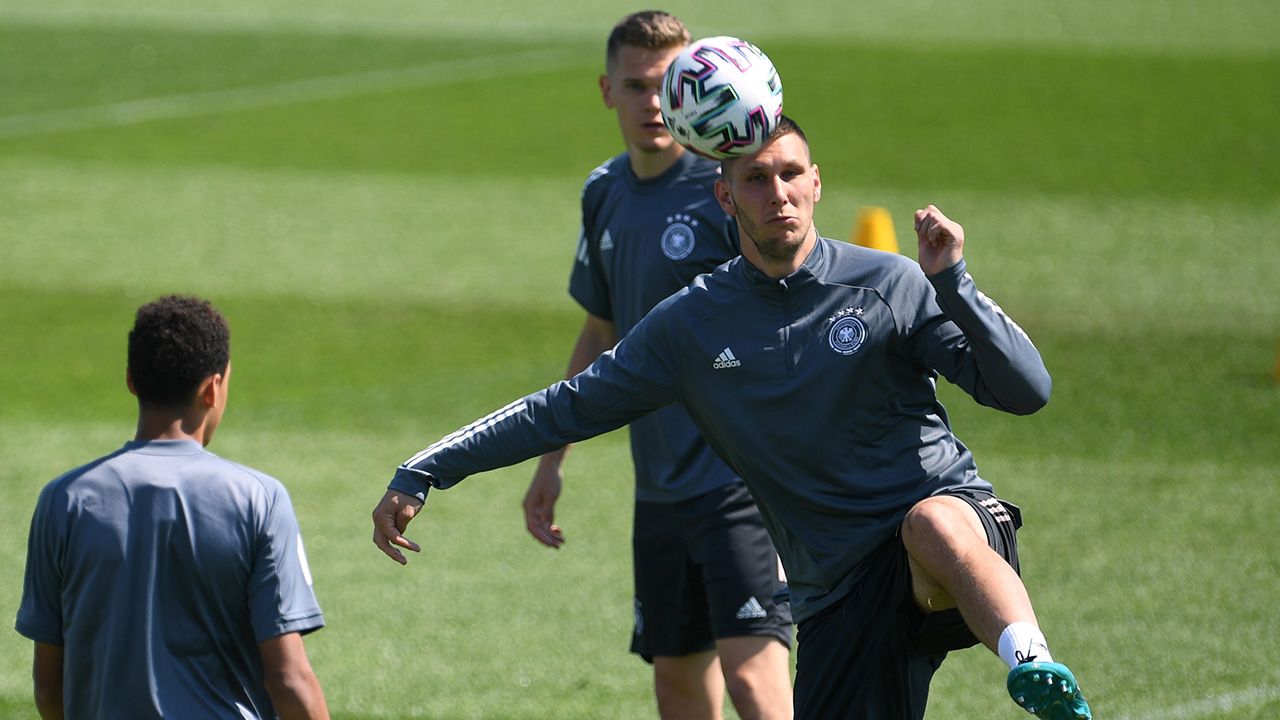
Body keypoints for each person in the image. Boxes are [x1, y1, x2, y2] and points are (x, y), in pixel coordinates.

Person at [372, 116, 1092, 720]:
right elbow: (566, 408)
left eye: (789, 174)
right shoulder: (689, 326)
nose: (777, 193)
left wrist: (953, 283)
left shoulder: (891, 282)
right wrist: (427, 467)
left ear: (816, 183)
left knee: (929, 523)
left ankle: (1032, 664)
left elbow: (1026, 391)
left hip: (949, 535)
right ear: (724, 195)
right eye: (756, 178)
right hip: (837, 588)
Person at [516, 10, 792, 720]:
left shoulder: (727, 188)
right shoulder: (603, 191)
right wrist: (552, 458)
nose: (653, 103)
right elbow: (600, 330)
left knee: (755, 680)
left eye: (668, 84)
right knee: (675, 682)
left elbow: (790, 306)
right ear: (607, 91)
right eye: (636, 86)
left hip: (736, 479)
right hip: (660, 485)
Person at [16, 295, 329, 720]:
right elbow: (288, 680)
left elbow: (50, 687)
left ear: (131, 380)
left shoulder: (63, 499)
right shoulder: (260, 498)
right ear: (211, 388)